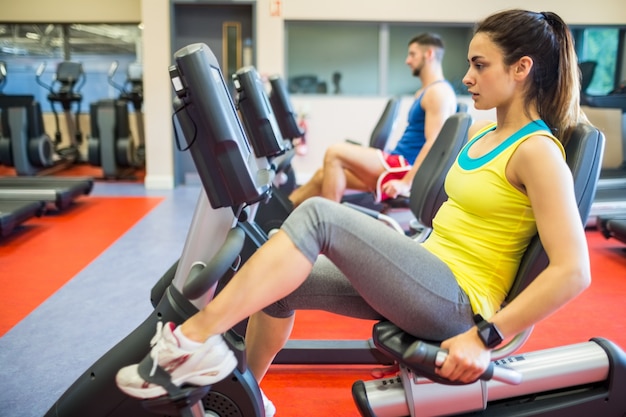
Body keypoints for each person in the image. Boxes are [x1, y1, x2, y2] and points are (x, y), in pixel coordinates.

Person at [116, 8, 592, 416]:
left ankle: (193, 341)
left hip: (459, 302)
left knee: (320, 216)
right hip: (428, 266)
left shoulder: (538, 152)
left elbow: (573, 271)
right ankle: (250, 400)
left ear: (521, 68)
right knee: (280, 288)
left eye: (479, 64)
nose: (466, 77)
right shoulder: (484, 136)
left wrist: (485, 337)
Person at [288, 33, 458, 207]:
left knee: (335, 152)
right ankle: (281, 216)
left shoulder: (438, 93)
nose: (407, 60)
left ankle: (326, 225)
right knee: (321, 175)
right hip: (397, 160)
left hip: (402, 167)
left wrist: (406, 183)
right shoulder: (427, 91)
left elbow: (434, 143)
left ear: (428, 54)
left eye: (412, 54)